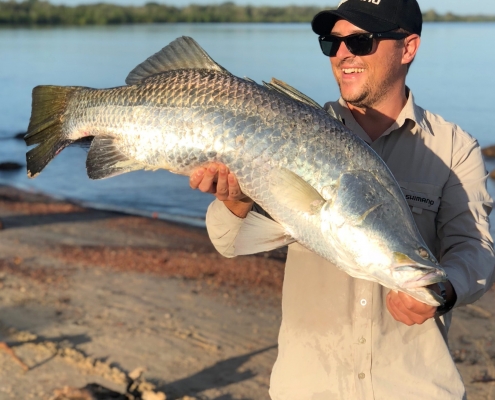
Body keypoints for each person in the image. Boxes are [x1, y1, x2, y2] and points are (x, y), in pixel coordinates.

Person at [190, 0, 495, 398]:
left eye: (361, 41)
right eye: (332, 43)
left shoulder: (455, 148)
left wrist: (445, 290)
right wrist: (235, 203)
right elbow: (230, 243)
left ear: (408, 48)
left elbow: (474, 247)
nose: (343, 55)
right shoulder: (285, 130)